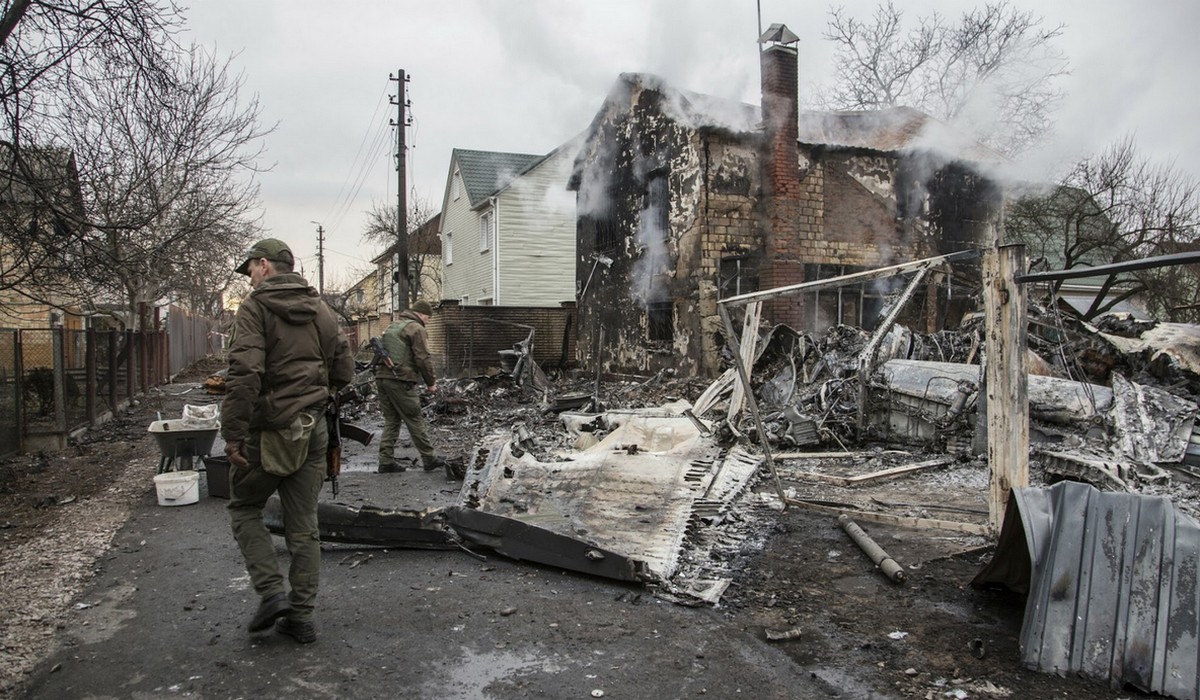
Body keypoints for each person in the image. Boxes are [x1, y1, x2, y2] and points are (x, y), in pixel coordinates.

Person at [221, 238, 354, 645]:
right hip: (312, 428)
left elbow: (245, 373)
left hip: (268, 431)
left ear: (264, 265)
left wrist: (233, 434)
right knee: (304, 525)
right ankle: (301, 618)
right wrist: (318, 390)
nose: (248, 279)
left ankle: (271, 593)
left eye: (250, 270)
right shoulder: (321, 309)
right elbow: (344, 369)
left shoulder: (255, 308)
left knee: (245, 508)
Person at [376, 298, 446, 473]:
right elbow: (422, 358)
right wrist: (431, 383)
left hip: (382, 377)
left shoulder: (395, 325)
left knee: (391, 420)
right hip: (400, 379)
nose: (428, 321)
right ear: (422, 314)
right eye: (428, 318)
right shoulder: (416, 328)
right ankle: (429, 458)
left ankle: (385, 461)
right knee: (414, 418)